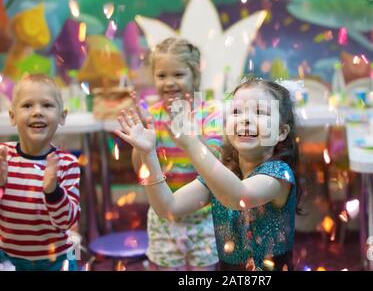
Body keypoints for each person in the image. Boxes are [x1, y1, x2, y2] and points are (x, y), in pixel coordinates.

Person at [116, 77, 300, 271]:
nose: (245, 119)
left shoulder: (279, 175)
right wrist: (148, 154)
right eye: (237, 111)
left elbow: (238, 197)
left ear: (281, 132)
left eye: (260, 112)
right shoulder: (223, 173)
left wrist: (192, 144)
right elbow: (166, 208)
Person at [130, 37, 222, 271]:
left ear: (195, 77)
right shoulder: (151, 116)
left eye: (178, 75)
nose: (169, 83)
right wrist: (140, 143)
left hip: (204, 217)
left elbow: (216, 164)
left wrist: (192, 135)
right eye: (162, 76)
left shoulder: (209, 114)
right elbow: (139, 172)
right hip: (164, 220)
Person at [0, 74, 80, 271]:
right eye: (27, 105)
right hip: (9, 261)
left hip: (57, 261)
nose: (37, 112)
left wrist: (53, 191)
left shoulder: (67, 164)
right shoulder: (3, 157)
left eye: (47, 105)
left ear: (62, 116)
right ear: (12, 116)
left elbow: (67, 221)